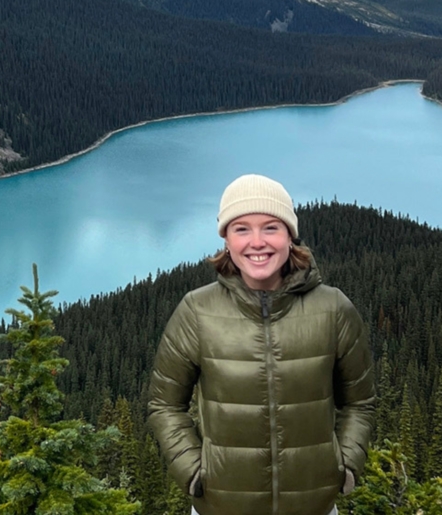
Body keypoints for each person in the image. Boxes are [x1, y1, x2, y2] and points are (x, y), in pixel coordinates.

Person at [147, 174, 376, 515]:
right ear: (226, 239)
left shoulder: (333, 309)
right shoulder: (197, 311)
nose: (257, 242)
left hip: (314, 507)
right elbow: (164, 405)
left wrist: (343, 465)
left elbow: (361, 402)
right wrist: (194, 472)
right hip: (219, 507)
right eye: (241, 229)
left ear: (290, 236)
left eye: (271, 227)